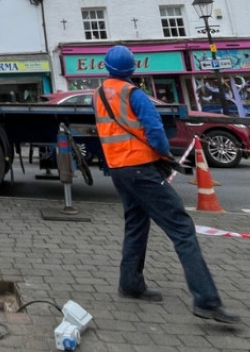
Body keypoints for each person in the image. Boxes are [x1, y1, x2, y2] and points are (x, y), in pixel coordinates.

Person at [94, 45, 241, 325]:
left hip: (118, 169)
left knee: (136, 222)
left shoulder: (98, 94)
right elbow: (155, 131)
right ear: (133, 68)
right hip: (141, 169)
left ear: (106, 67)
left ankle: (130, 283)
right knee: (182, 228)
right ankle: (207, 301)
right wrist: (165, 156)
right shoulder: (134, 94)